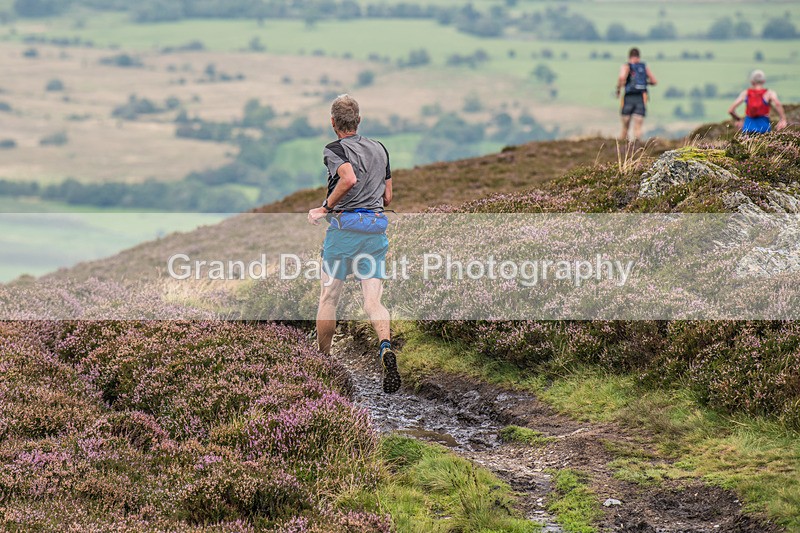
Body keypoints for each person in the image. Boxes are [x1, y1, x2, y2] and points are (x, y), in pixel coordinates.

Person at [307, 94, 401, 394]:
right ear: (358, 121)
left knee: (329, 298)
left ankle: (323, 361)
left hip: (344, 232)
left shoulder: (334, 149)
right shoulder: (380, 148)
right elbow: (387, 199)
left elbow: (347, 179)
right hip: (374, 232)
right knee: (373, 302)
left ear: (333, 123)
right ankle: (385, 346)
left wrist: (324, 207)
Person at [616, 48, 657, 142]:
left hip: (628, 98)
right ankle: (638, 148)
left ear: (629, 56)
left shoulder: (626, 66)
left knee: (625, 127)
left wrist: (618, 89)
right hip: (641, 98)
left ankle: (622, 147)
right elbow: (654, 81)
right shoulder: (643, 67)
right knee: (638, 127)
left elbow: (622, 78)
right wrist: (646, 83)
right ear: (639, 56)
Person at [728, 70, 787, 134]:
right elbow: (777, 103)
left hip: (748, 128)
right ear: (764, 81)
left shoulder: (746, 93)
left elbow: (731, 110)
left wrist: (738, 119)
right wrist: (782, 119)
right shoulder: (769, 93)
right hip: (764, 128)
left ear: (752, 81)